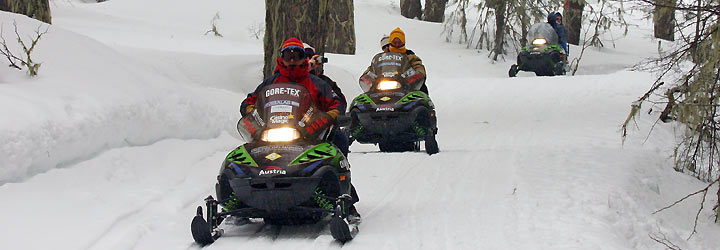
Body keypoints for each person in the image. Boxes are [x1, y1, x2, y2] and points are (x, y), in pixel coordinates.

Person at [240, 37, 360, 223]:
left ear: (304, 57)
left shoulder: (316, 83)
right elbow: (250, 101)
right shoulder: (271, 82)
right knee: (247, 157)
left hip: (310, 133)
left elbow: (337, 102)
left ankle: (345, 199)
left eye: (297, 55)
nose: (292, 59)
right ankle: (241, 199)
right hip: (272, 131)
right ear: (282, 58)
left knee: (338, 145)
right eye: (288, 55)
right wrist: (253, 112)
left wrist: (329, 116)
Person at [303, 42, 350, 156]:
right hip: (286, 126)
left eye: (309, 57)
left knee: (340, 140)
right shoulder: (281, 80)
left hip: (318, 127)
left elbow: (340, 101)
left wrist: (331, 116)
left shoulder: (324, 82)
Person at [363, 28, 428, 94]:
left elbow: (418, 66)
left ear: (403, 43)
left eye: (399, 42)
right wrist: (367, 77)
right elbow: (373, 68)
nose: (397, 45)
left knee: (422, 91)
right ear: (391, 43)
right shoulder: (383, 58)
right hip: (383, 86)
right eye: (394, 42)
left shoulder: (410, 56)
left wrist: (418, 75)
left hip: (406, 87)